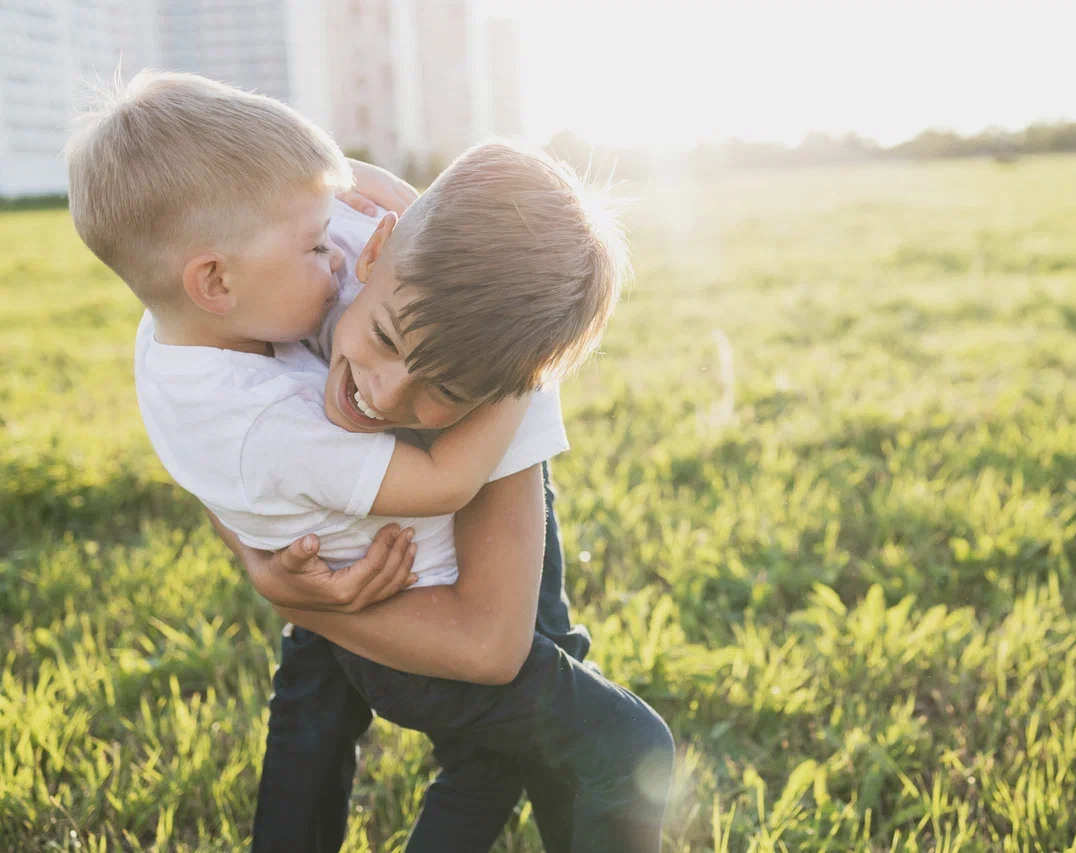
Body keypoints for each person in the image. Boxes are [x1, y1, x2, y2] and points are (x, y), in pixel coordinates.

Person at [64, 69, 673, 852]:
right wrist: (525, 378)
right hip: (412, 604)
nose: (382, 394)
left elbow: (346, 191)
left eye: (335, 234)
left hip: (387, 587)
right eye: (320, 246)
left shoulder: (234, 296)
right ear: (215, 280)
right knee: (516, 754)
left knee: (320, 696)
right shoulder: (272, 397)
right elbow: (447, 494)